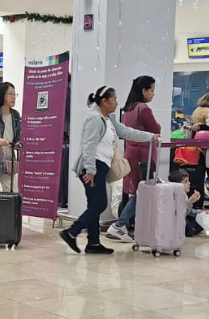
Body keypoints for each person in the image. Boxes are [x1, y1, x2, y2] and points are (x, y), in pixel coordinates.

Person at [62, 85, 159, 255]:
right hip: (92, 167)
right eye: (114, 99)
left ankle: (93, 243)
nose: (116, 102)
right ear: (104, 101)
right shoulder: (95, 118)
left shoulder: (108, 119)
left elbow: (126, 132)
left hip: (99, 166)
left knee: (94, 204)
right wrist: (91, 170)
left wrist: (150, 136)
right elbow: (89, 144)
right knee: (100, 204)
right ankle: (72, 232)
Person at [106, 76, 162, 242]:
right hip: (142, 155)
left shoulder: (129, 108)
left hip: (132, 153)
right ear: (143, 90)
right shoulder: (143, 108)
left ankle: (128, 225)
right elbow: (155, 129)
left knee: (137, 191)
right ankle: (119, 224)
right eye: (151, 90)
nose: (153, 94)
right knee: (142, 192)